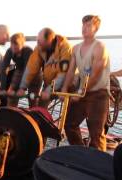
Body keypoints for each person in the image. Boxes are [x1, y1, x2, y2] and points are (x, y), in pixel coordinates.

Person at [62, 15, 110, 151]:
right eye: (83, 25)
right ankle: (81, 153)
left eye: (89, 25)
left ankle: (99, 165)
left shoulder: (100, 47)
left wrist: (81, 92)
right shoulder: (76, 48)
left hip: (99, 94)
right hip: (82, 92)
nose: (85, 28)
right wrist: (65, 89)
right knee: (69, 125)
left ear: (96, 29)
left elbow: (95, 74)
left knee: (96, 133)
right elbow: (71, 71)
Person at [16, 28, 72, 108]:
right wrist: (22, 87)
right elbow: (31, 68)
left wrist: (48, 90)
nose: (37, 43)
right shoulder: (39, 48)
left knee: (69, 113)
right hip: (49, 84)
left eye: (39, 41)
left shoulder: (65, 47)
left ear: (49, 40)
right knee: (40, 108)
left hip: (66, 85)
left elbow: (63, 74)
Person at [0, 33, 42, 107]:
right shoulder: (9, 51)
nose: (14, 49)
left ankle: (33, 113)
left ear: (22, 44)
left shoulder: (28, 51)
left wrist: (22, 88)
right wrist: (3, 88)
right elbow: (3, 69)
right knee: (11, 97)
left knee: (32, 99)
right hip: (19, 71)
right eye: (12, 46)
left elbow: (27, 70)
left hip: (34, 74)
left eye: (16, 46)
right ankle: (11, 113)